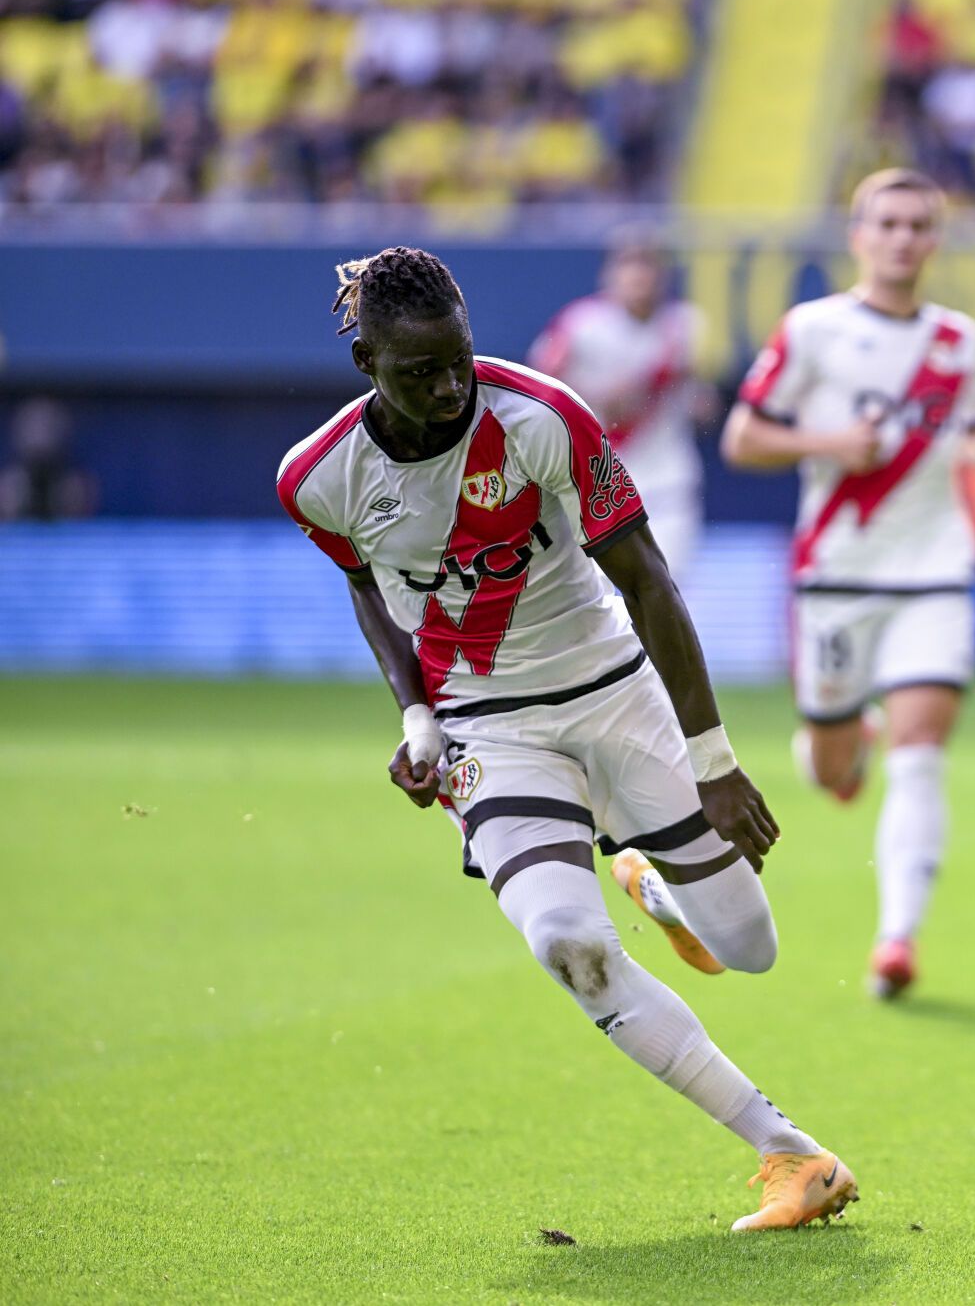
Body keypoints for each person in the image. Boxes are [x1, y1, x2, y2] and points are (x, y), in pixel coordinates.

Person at [275, 246, 857, 1231]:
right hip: (488, 725)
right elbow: (367, 585)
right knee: (566, 942)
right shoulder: (317, 476)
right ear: (366, 362)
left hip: (613, 692)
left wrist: (715, 762)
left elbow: (649, 580)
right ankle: (792, 1153)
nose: (450, 388)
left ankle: (651, 881)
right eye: (420, 372)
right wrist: (417, 718)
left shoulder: (541, 416)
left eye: (458, 359)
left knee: (749, 946)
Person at [709, 168, 975, 1000]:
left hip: (934, 569)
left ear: (935, 240)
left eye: (918, 225)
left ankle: (897, 938)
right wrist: (828, 442)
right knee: (830, 768)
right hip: (839, 572)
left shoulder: (959, 340)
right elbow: (742, 436)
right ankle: (846, 743)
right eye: (887, 223)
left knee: (921, 756)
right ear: (858, 236)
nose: (902, 238)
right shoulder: (814, 328)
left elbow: (965, 441)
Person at [528, 236, 715, 577]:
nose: (638, 276)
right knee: (593, 590)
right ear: (609, 274)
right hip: (597, 480)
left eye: (648, 265)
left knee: (665, 582)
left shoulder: (684, 325)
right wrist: (595, 397)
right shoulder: (581, 324)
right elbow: (539, 387)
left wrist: (695, 400)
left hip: (666, 478)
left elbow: (700, 399)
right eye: (629, 265)